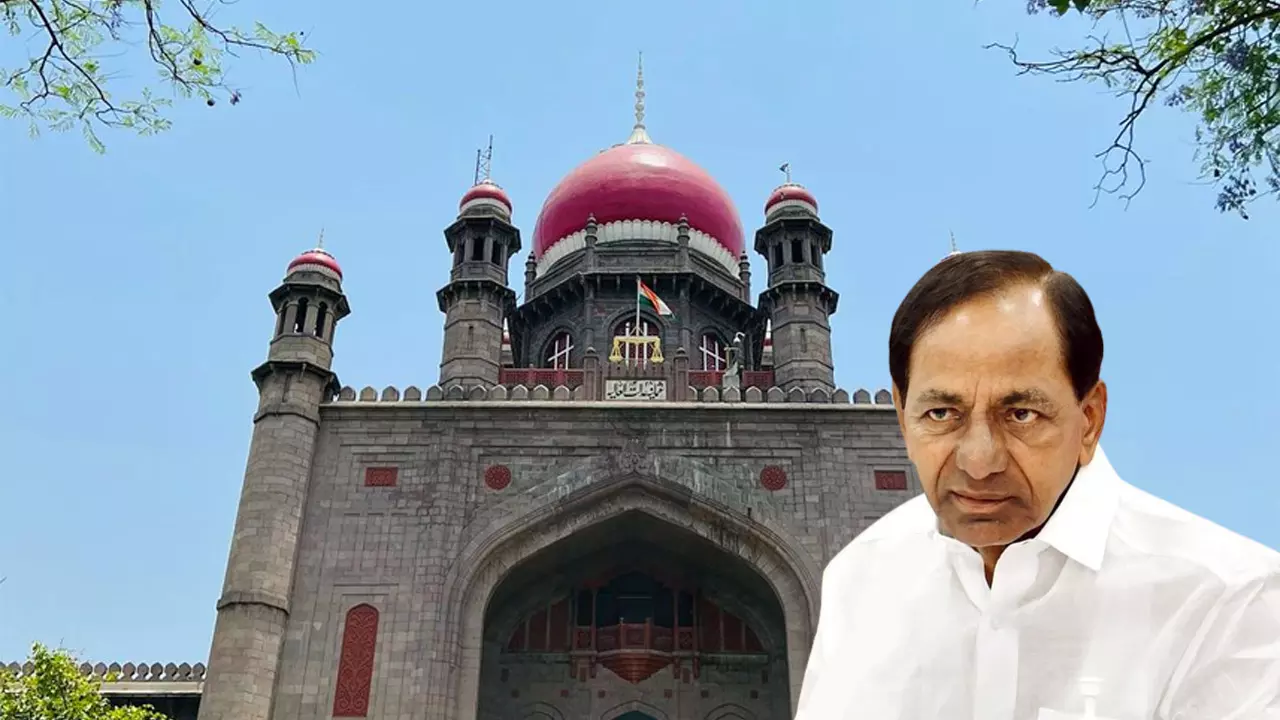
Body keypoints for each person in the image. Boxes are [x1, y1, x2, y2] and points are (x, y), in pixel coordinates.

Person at [795, 250, 1280, 720]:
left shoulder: (1225, 598)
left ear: (1089, 419)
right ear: (903, 418)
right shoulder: (862, 579)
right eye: (941, 413)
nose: (979, 462)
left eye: (1021, 414)